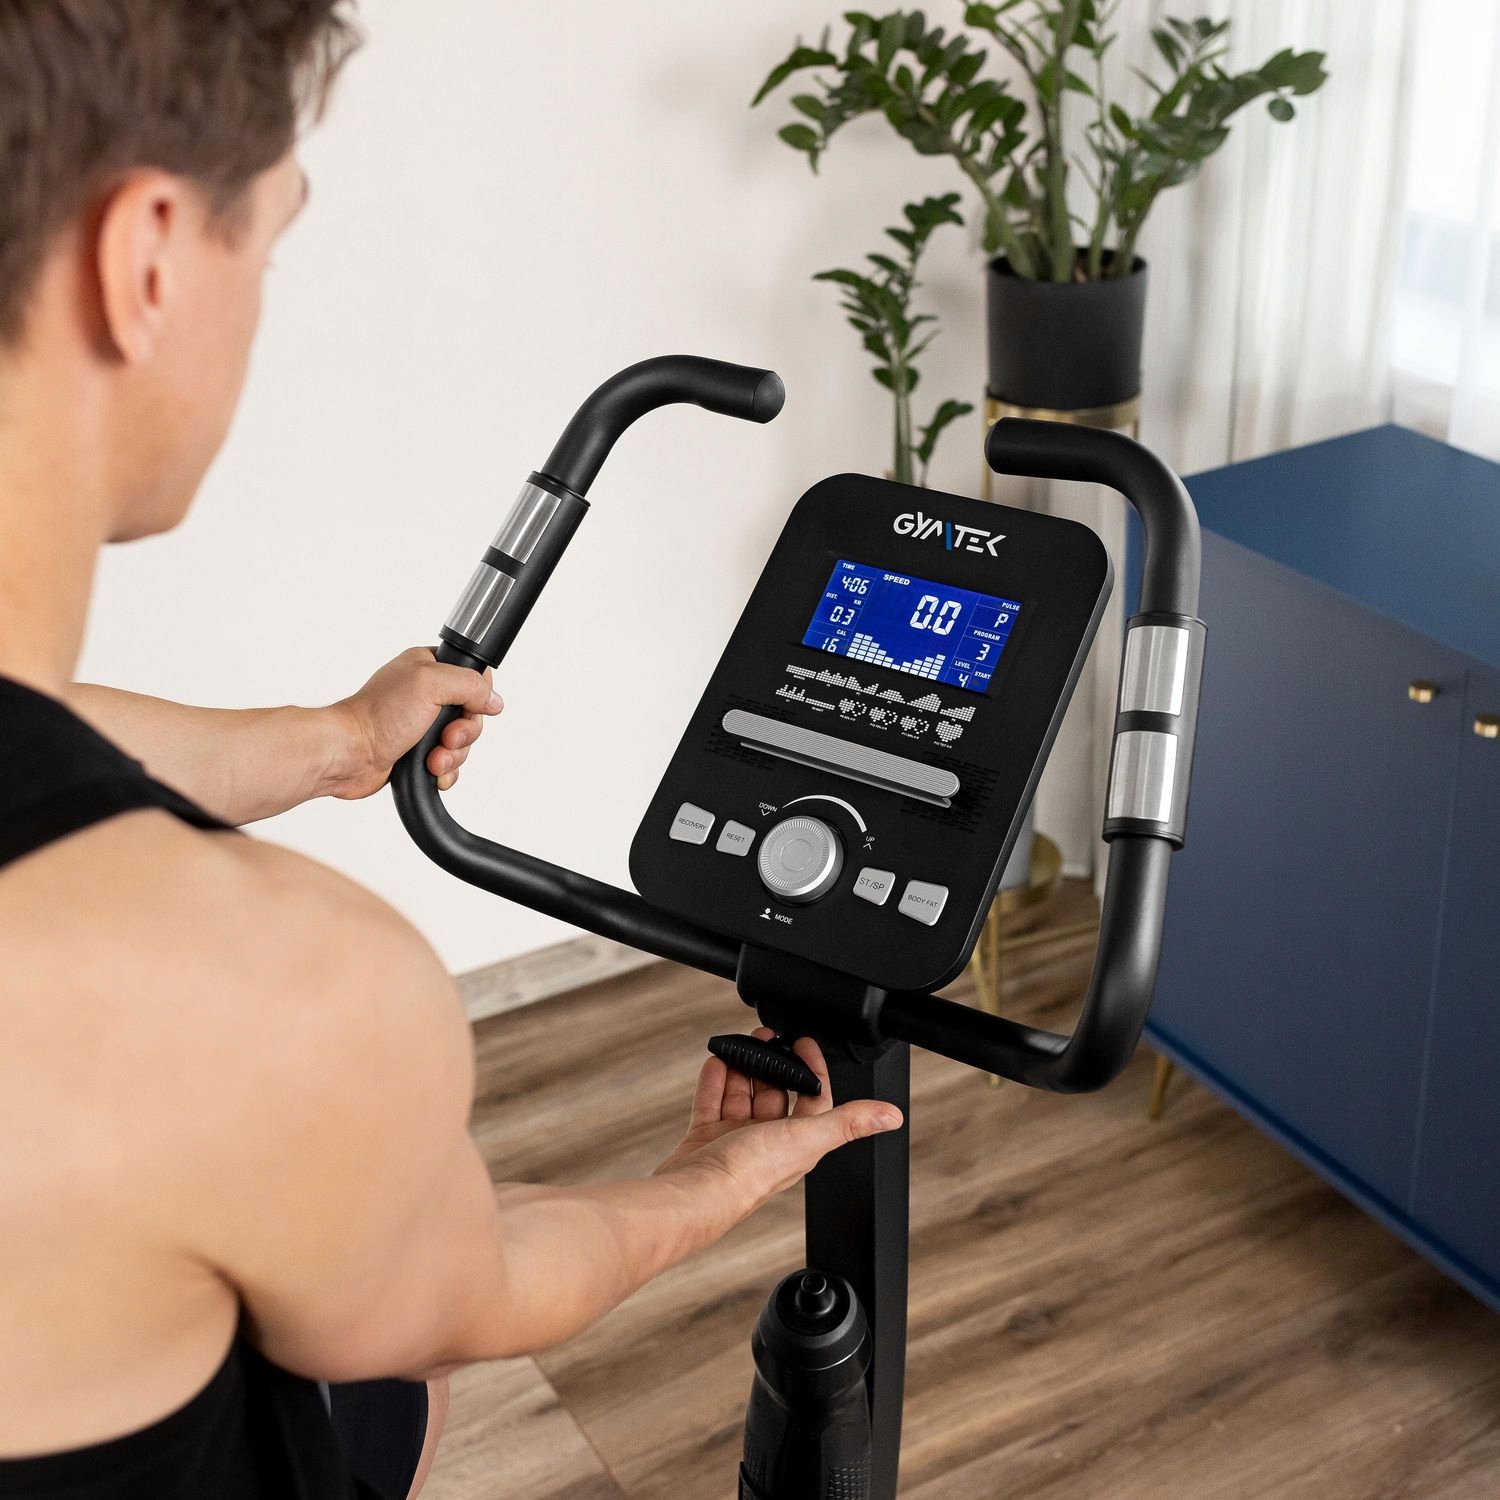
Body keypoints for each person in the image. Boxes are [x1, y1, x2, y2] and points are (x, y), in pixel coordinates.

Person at [0, 5, 904, 1498]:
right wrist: (708, 1182)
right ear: (144, 256)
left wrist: (340, 743)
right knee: (386, 1381)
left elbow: (43, 734)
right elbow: (477, 1286)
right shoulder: (274, 994)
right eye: (269, 241)